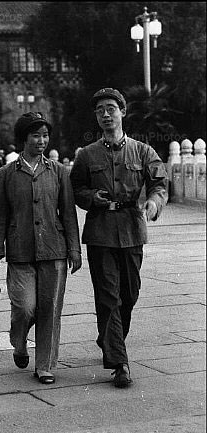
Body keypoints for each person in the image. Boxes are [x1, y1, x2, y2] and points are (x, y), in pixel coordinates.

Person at [70, 88, 168, 388]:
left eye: (111, 108)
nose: (105, 114)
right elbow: (76, 190)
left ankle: (107, 339)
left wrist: (153, 203)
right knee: (108, 297)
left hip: (132, 228)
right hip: (100, 233)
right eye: (100, 110)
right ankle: (119, 362)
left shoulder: (143, 151)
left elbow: (160, 184)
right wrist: (91, 198)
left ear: (123, 112)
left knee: (130, 294)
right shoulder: (86, 155)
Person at [0, 111, 82, 384]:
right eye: (35, 136)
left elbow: (69, 213)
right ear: (23, 139)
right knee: (25, 307)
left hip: (54, 249)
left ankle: (45, 365)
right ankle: (18, 341)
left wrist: (74, 249)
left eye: (45, 135)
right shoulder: (5, 174)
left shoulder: (59, 172)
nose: (42, 141)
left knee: (50, 308)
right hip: (20, 251)